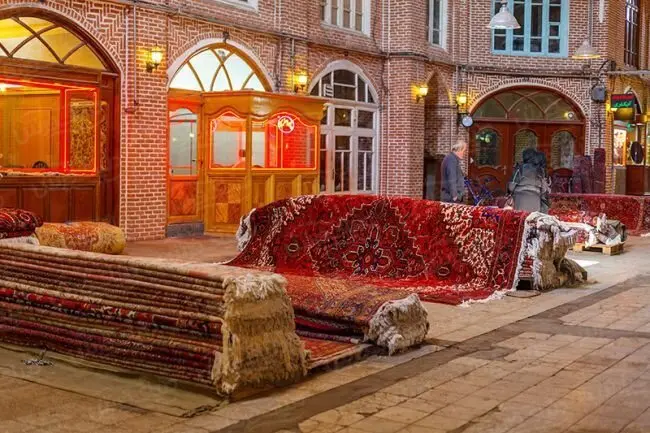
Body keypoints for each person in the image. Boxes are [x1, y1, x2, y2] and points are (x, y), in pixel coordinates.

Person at [509, 148, 550, 213]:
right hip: (536, 200)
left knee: (520, 217)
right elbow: (544, 190)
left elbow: (511, 187)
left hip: (520, 199)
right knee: (533, 217)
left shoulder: (520, 168)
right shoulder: (540, 170)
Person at [441, 139, 467, 203]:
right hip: (452, 198)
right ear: (459, 149)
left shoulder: (452, 158)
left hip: (453, 197)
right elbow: (452, 178)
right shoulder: (451, 160)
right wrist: (455, 196)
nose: (465, 153)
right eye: (464, 151)